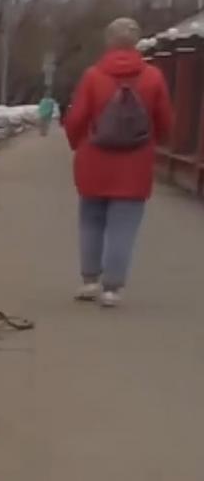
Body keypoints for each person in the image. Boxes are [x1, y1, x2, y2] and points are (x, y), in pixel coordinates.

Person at [63, 17, 174, 308]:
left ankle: (89, 281)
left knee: (90, 222)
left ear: (108, 41)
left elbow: (76, 119)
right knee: (123, 228)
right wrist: (153, 143)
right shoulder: (153, 77)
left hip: (93, 162)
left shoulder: (93, 76)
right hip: (135, 164)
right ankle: (112, 289)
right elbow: (165, 121)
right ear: (136, 42)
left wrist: (78, 144)